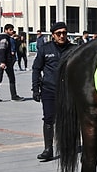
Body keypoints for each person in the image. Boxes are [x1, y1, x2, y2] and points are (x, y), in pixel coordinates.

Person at [32, 21, 76, 161]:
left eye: (64, 33)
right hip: (49, 90)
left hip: (68, 91)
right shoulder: (45, 49)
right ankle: (48, 149)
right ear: (53, 35)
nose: (62, 36)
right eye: (59, 33)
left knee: (68, 119)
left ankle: (68, 146)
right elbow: (36, 68)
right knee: (49, 119)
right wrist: (35, 88)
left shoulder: (74, 49)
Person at [0, 24, 25, 103]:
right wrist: (2, 62)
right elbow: (1, 51)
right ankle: (13, 96)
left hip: (4, 62)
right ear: (6, 30)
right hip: (5, 62)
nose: (11, 31)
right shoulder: (4, 39)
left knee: (0, 79)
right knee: (8, 79)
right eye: (10, 30)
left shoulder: (5, 38)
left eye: (12, 30)